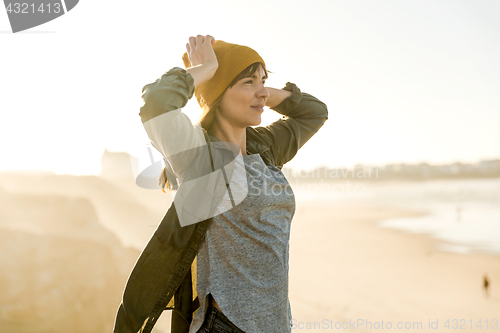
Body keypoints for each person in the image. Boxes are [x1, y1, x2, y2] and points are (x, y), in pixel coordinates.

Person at [114, 35, 328, 333]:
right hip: (224, 326)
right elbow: (156, 102)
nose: (263, 93)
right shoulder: (199, 157)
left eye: (263, 81)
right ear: (217, 94)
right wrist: (209, 69)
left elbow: (314, 112)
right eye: (247, 84)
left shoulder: (266, 149)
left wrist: (256, 83)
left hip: (276, 325)